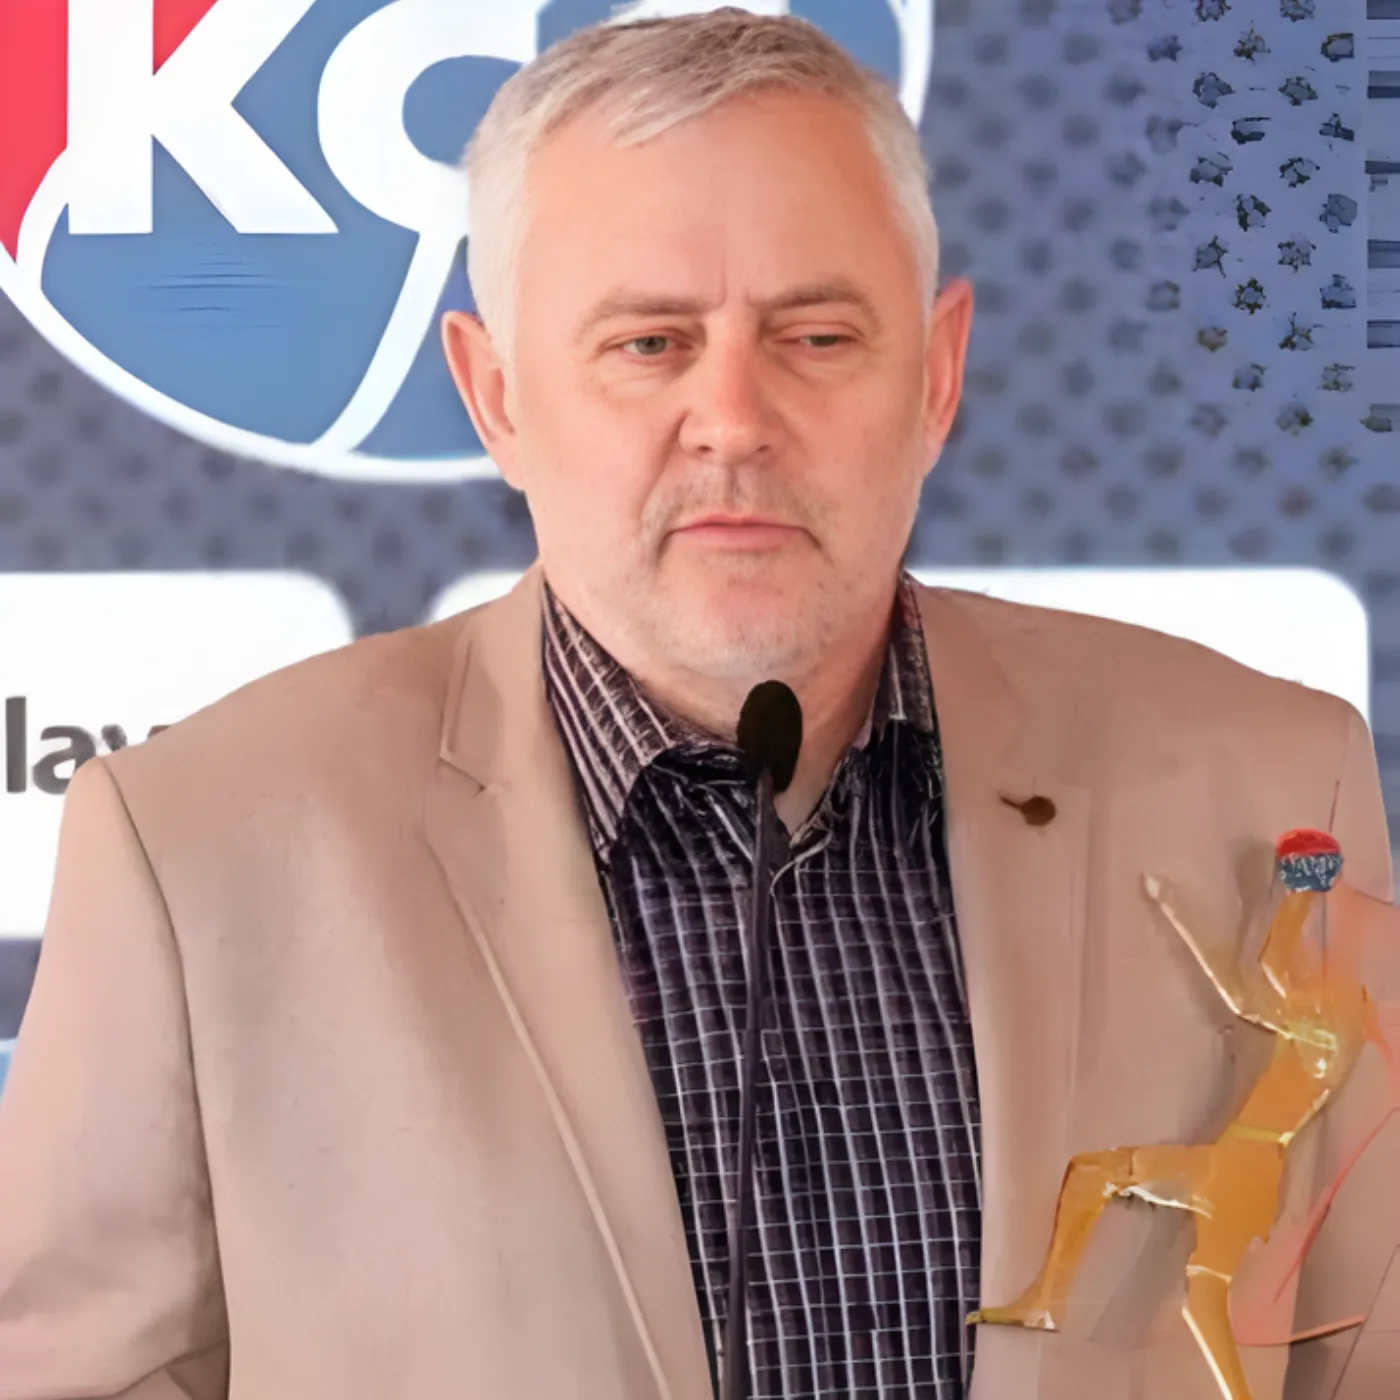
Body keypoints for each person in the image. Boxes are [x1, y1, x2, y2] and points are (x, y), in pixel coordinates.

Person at [0, 11, 1395, 1400]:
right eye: (651, 343)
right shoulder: (199, 849)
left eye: (818, 335)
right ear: (496, 396)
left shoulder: (1271, 788)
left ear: (938, 375)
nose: (734, 417)